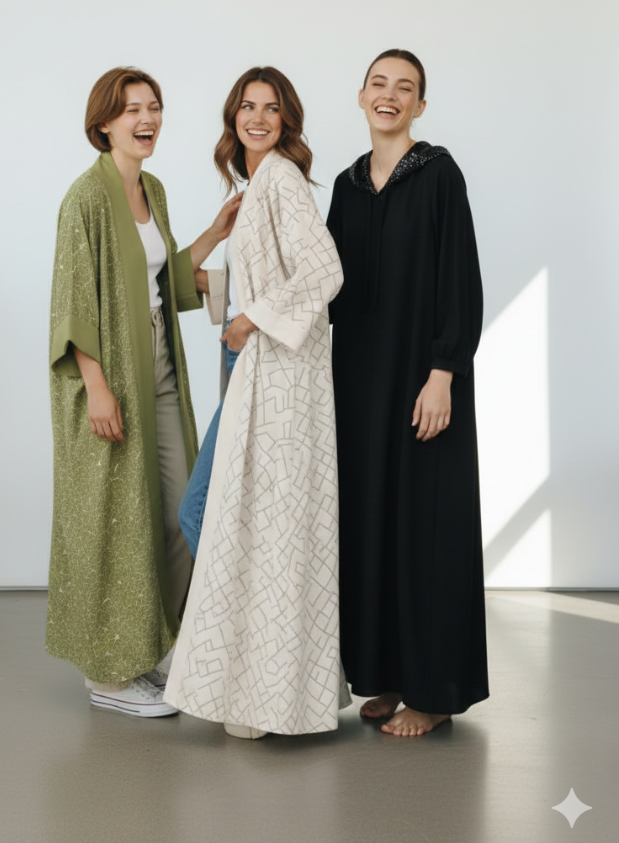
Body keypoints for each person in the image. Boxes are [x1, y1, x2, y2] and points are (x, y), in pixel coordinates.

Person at [46, 66, 241, 717]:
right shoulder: (86, 198)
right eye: (131, 109)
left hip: (159, 381)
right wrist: (97, 387)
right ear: (104, 123)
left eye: (153, 106)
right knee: (114, 524)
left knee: (185, 513)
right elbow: (72, 302)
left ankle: (151, 648)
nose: (145, 118)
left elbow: (162, 282)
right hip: (109, 387)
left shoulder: (150, 189)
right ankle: (109, 674)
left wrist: (214, 233)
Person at [165, 66, 349, 739]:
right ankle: (252, 678)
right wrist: (231, 293)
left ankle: (260, 689)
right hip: (252, 364)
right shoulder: (255, 185)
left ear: (287, 119)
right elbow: (274, 273)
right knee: (240, 520)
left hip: (277, 368)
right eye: (248, 106)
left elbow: (325, 271)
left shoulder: (283, 180)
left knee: (237, 519)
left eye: (271, 108)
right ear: (231, 116)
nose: (259, 117)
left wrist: (250, 320)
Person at [327, 49, 489, 737]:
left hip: (423, 378)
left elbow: (460, 276)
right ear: (360, 96)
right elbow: (327, 282)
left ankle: (433, 692)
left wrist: (445, 371)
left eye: (406, 89)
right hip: (359, 381)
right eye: (379, 84)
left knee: (425, 527)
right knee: (372, 523)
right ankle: (387, 675)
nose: (390, 96)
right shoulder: (346, 183)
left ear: (420, 106)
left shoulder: (439, 174)